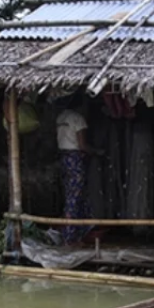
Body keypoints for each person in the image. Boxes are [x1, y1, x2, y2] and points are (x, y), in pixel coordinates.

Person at [56, 95, 93, 244]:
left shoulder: (60, 117)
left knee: (69, 195)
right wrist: (97, 152)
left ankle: (72, 233)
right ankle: (71, 235)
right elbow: (82, 145)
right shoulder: (78, 118)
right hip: (75, 159)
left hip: (64, 158)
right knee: (76, 198)